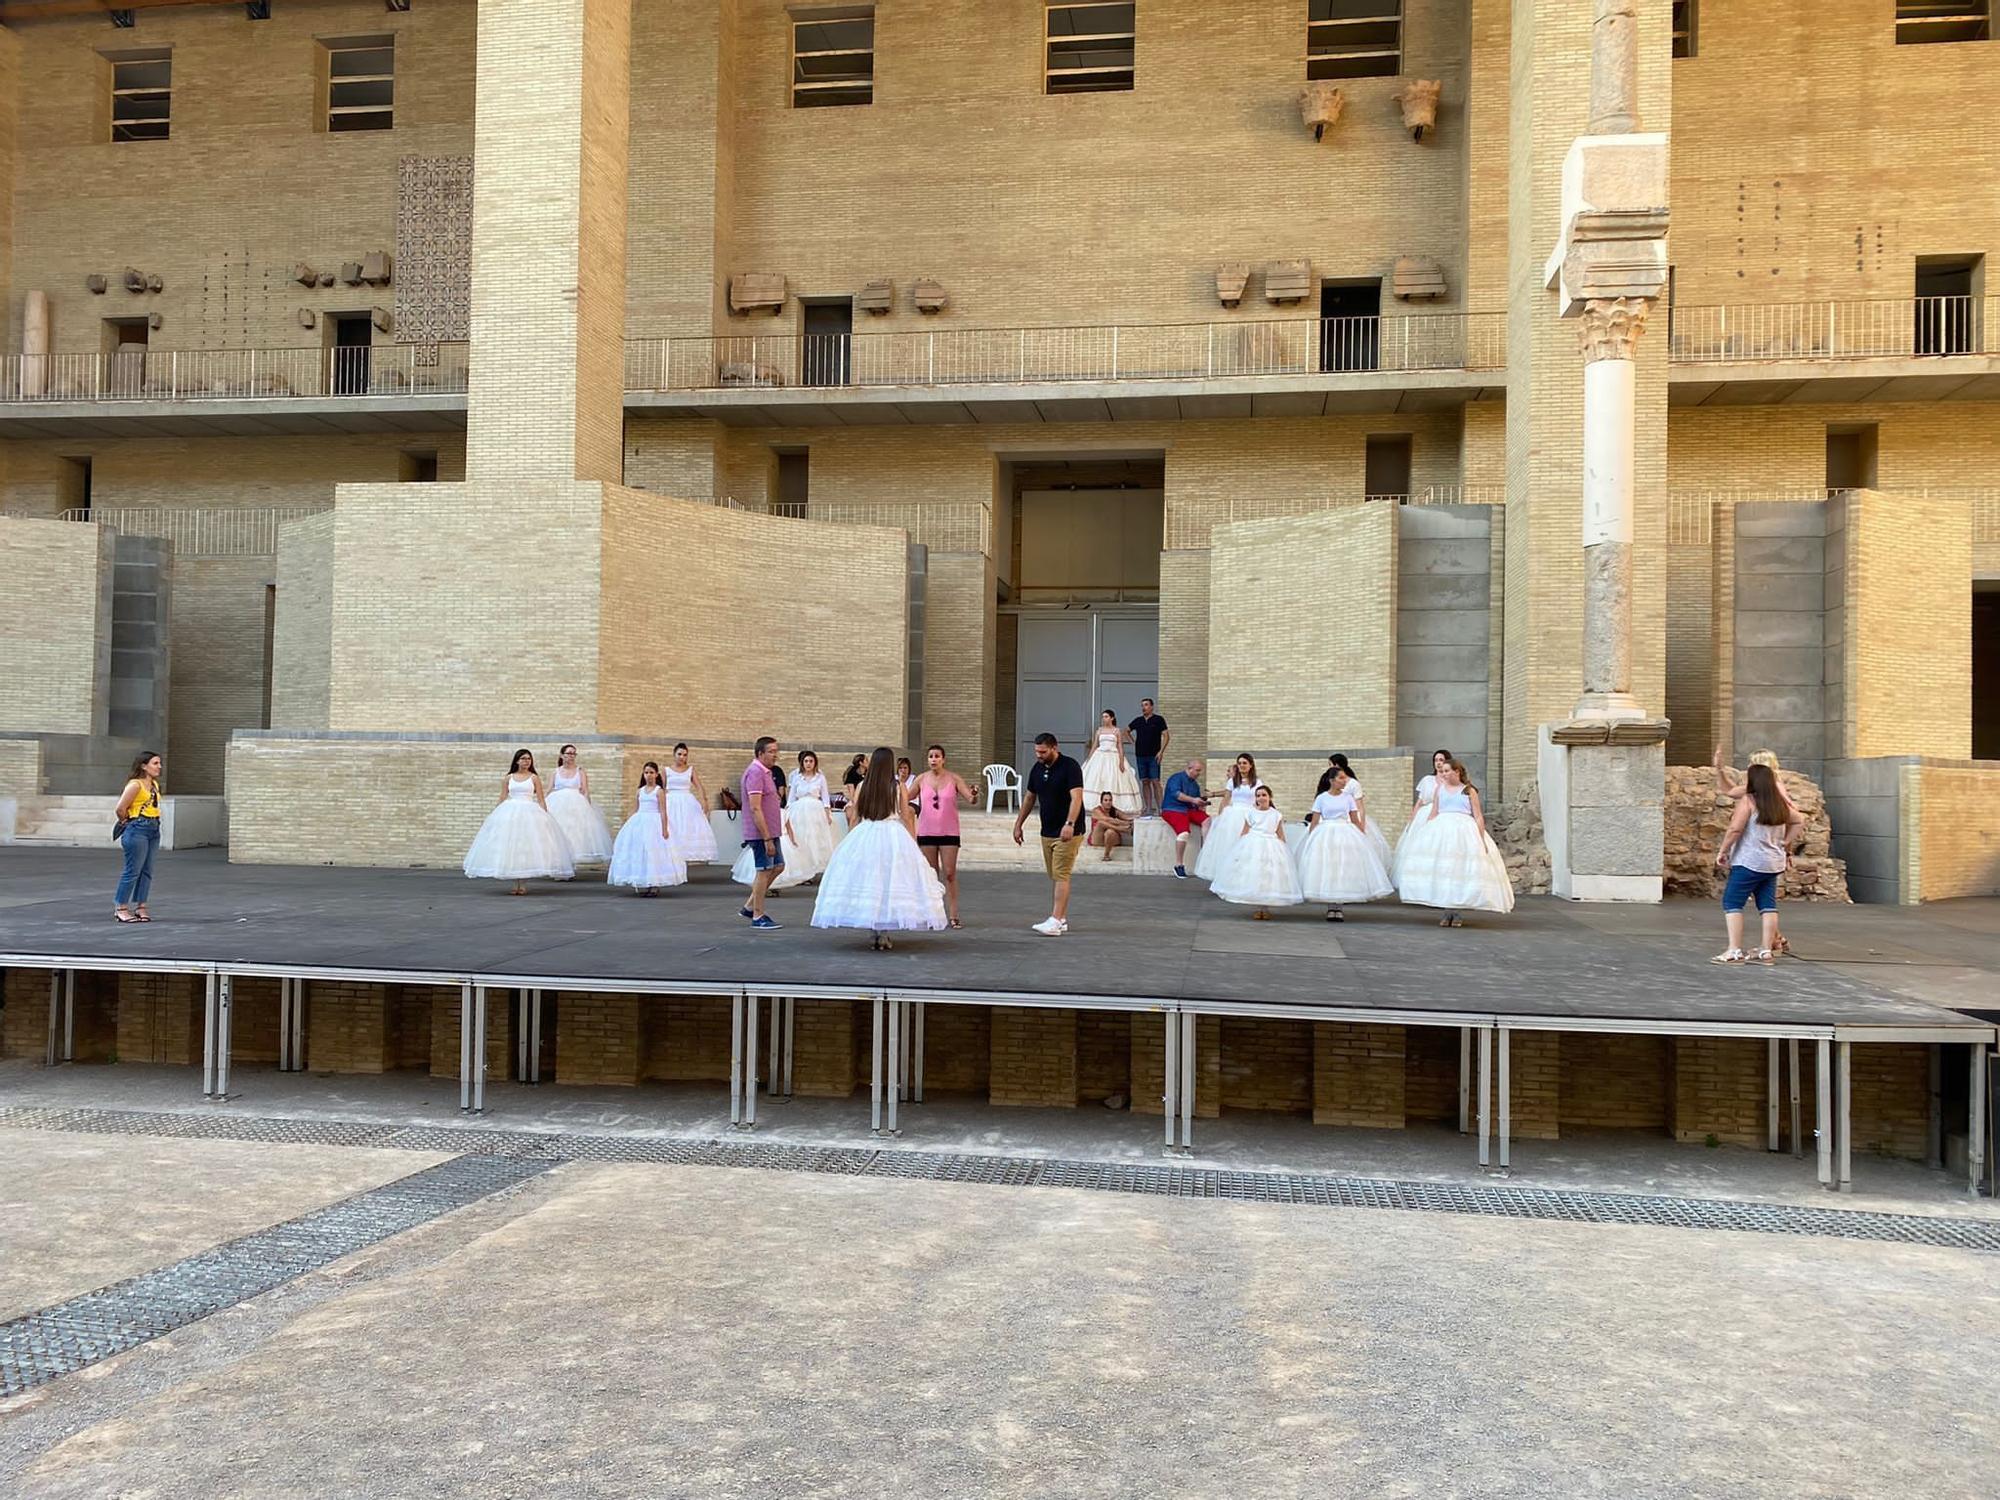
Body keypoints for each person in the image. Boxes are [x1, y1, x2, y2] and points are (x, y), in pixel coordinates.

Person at [811, 746, 949, 950]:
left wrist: (849, 841)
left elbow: (856, 815)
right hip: (892, 833)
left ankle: (874, 931)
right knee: (888, 881)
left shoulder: (863, 786)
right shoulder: (897, 786)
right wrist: (912, 840)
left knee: (871, 880)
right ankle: (883, 933)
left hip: (867, 832)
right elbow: (906, 814)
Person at [1394, 758, 1513, 926]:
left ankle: (1456, 912)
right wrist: (1425, 833)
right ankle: (1446, 911)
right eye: (1441, 771)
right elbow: (1434, 812)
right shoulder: (1439, 790)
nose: (1443, 774)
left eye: (1446, 771)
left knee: (1459, 870)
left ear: (1457, 772)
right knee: (1444, 869)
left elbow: (1477, 815)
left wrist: (1480, 838)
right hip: (1441, 830)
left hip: (1463, 830)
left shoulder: (1468, 791)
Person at [1712, 762, 1804, 965]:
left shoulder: (1749, 801)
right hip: (1772, 863)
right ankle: (1765, 950)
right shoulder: (1778, 803)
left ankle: (1734, 949)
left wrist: (1723, 850)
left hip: (1748, 861)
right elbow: (1798, 820)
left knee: (1732, 903)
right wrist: (1786, 842)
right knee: (1768, 905)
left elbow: (1735, 829)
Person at [463, 749, 576, 896]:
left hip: (529, 812)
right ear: (517, 760)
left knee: (526, 847)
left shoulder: (534, 778)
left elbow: (541, 799)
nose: (526, 761)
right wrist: (494, 815)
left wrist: (545, 816)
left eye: (528, 759)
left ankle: (522, 884)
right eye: (523, 758)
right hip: (510, 812)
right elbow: (503, 797)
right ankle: (515, 882)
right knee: (513, 847)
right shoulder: (508, 778)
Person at [1294, 766, 1394, 921]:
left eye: (1345, 778)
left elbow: (1354, 818)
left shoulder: (1348, 798)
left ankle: (1338, 906)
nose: (1344, 781)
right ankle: (1330, 905)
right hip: (1325, 833)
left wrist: (1362, 835)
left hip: (1345, 833)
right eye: (1340, 778)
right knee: (1328, 867)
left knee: (1342, 867)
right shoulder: (1321, 798)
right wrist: (1310, 838)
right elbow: (1315, 821)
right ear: (1332, 780)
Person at [1013, 732, 1085, 936]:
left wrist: (1070, 824)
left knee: (1062, 874)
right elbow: (1029, 798)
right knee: (1055, 875)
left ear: (1054, 748)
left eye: (1043, 752)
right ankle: (1061, 919)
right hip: (1047, 829)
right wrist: (1019, 824)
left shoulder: (1070, 766)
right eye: (1037, 751)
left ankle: (1054, 920)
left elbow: (1076, 798)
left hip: (1068, 830)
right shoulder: (1037, 769)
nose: (1039, 755)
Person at [1211, 785, 1303, 919]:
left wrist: (1284, 852)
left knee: (1268, 875)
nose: (1261, 798)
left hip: (1271, 845)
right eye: (1258, 795)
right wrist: (1239, 850)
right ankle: (1258, 906)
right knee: (1255, 873)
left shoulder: (1276, 814)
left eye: (1264, 795)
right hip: (1253, 844)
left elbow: (1280, 834)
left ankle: (1264, 908)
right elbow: (1244, 831)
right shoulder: (1250, 812)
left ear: (1270, 797)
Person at [915, 744, 977, 929]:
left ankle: (954, 913)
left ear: (943, 759)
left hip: (949, 831)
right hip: (926, 831)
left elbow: (970, 799)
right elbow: (905, 797)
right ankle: (933, 913)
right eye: (930, 756)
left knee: (949, 873)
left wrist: (974, 794)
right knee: (931, 875)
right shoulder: (921, 779)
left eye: (937, 756)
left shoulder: (953, 778)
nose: (933, 759)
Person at [607, 762, 687, 896]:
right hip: (640, 822)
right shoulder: (640, 791)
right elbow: (635, 809)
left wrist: (665, 829)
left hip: (654, 823)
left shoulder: (659, 791)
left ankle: (654, 884)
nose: (648, 775)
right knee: (640, 852)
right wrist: (628, 824)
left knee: (654, 853)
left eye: (651, 772)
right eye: (646, 773)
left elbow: (663, 811)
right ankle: (642, 881)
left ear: (656, 774)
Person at [1193, 753, 1263, 882]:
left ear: (1251, 765)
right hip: (1233, 816)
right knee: (1228, 845)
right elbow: (1226, 800)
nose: (1242, 766)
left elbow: (1259, 800)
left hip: (1249, 815)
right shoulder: (1232, 781)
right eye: (1239, 763)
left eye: (1244, 763)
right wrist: (1221, 817)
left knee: (1246, 846)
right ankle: (1226, 876)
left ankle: (1243, 876)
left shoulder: (1257, 782)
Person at [112, 750, 164, 924]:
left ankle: (141, 906)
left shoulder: (154, 785)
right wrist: (126, 822)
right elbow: (120, 808)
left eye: (159, 763)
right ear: (144, 765)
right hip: (137, 828)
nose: (159, 767)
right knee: (133, 870)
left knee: (147, 870)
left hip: (153, 828)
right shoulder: (135, 785)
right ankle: (121, 908)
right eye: (155, 763)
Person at [739, 736, 786, 929]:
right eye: (771, 751)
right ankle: (758, 916)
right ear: (760, 753)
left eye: (776, 751)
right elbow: (755, 807)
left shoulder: (766, 772)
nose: (776, 755)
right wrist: (766, 837)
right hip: (761, 832)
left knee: (778, 866)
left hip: (771, 831)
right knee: (764, 870)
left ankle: (750, 906)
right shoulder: (755, 773)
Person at [1393, 747, 1454, 885]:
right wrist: (1412, 819)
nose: (1438, 763)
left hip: (1443, 814)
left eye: (1441, 760)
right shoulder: (1427, 780)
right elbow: (1419, 802)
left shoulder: (1450, 782)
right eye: (1436, 760)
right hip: (1425, 814)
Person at [544, 743, 613, 863]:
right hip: (557, 805)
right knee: (558, 832)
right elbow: (549, 789)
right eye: (568, 753)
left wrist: (588, 806)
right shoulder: (555, 772)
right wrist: (542, 805)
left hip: (576, 805)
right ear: (562, 755)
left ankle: (570, 863)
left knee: (574, 834)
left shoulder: (580, 771)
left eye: (573, 754)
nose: (571, 756)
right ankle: (560, 863)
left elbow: (585, 790)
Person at [784, 749, 836, 879]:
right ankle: (803, 870)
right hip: (799, 810)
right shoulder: (796, 778)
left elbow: (825, 797)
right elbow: (791, 798)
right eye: (806, 761)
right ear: (802, 763)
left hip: (815, 809)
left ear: (815, 763)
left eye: (811, 761)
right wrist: (787, 812)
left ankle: (814, 869)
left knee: (816, 839)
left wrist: (827, 812)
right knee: (800, 838)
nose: (808, 764)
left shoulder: (820, 778)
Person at [662, 743, 717, 864]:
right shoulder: (666, 770)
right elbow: (661, 788)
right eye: (679, 754)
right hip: (671, 801)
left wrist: (704, 801)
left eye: (685, 755)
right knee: (672, 827)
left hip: (687, 802)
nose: (682, 757)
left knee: (687, 828)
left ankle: (683, 859)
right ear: (674, 754)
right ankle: (670, 859)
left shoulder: (690, 770)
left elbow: (699, 786)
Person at [1081, 709, 1141, 815]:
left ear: (1112, 718)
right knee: (1098, 778)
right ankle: (1094, 804)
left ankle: (1116, 805)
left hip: (1113, 756)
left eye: (1106, 716)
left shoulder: (1116, 731)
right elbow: (1095, 745)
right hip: (1100, 756)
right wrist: (1089, 760)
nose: (1104, 719)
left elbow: (1120, 747)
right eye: (1103, 717)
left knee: (1114, 778)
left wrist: (1121, 762)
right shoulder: (1099, 730)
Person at [1160, 758, 1209, 879]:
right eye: (1197, 770)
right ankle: (1179, 864)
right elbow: (1176, 794)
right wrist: (1193, 800)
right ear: (1189, 768)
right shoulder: (1176, 778)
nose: (1198, 773)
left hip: (1189, 810)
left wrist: (1201, 804)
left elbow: (1195, 801)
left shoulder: (1195, 784)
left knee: (1207, 820)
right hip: (1173, 809)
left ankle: (1206, 851)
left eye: (1200, 771)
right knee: (1183, 833)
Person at [1128, 698, 1169, 815]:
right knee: (1145, 781)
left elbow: (1166, 736)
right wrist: (1133, 742)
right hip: (1140, 755)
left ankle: (1161, 808)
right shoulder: (1138, 721)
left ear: (1152, 706)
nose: (1143, 707)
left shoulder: (1158, 720)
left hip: (1153, 756)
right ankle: (1148, 807)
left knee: (1155, 781)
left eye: (1146, 705)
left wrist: (1161, 751)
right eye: (1142, 705)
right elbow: (1126, 730)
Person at [1086, 792, 1134, 862]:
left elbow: (1128, 818)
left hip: (1111, 839)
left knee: (1110, 832)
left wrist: (1133, 820)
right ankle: (1123, 830)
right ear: (1101, 802)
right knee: (1100, 823)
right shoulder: (1096, 810)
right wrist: (1124, 825)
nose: (1108, 802)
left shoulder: (1114, 810)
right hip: (1097, 839)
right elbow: (1107, 819)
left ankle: (1106, 855)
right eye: (1105, 800)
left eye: (1110, 800)